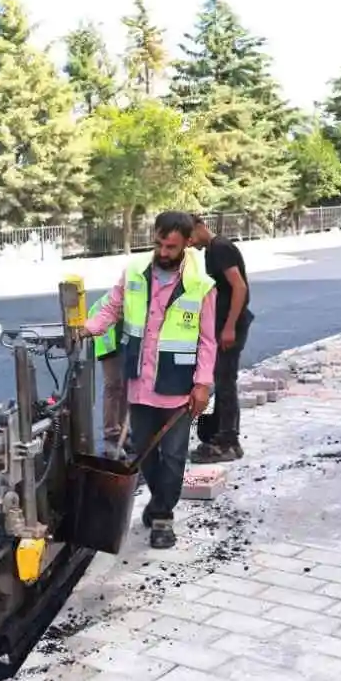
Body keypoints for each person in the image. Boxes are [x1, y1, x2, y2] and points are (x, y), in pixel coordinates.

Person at [83, 211, 217, 549]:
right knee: (144, 453)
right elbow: (111, 309)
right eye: (159, 243)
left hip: (177, 387)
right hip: (139, 384)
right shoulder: (134, 272)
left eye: (171, 247)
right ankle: (160, 502)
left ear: (187, 243)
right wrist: (83, 329)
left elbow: (207, 340)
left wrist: (202, 384)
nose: (163, 252)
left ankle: (162, 518)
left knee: (173, 456)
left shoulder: (202, 284)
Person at [188, 215, 253, 463]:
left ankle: (228, 441)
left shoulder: (221, 248)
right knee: (222, 379)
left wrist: (229, 327)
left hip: (230, 325)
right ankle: (223, 435)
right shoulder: (210, 251)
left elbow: (240, 287)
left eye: (189, 236)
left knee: (225, 381)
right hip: (223, 323)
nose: (189, 243)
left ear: (199, 226)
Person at [86, 290, 127, 456]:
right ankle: (112, 434)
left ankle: (123, 431)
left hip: (122, 337)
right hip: (107, 337)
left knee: (126, 386)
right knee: (114, 385)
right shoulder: (131, 289)